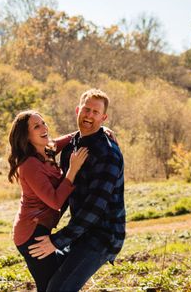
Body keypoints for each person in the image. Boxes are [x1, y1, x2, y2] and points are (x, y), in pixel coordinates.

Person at [28, 88, 126, 292]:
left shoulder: (108, 154)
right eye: (86, 109)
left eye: (95, 112)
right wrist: (43, 220)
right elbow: (65, 192)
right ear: (77, 110)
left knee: (58, 289)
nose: (89, 115)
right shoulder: (71, 148)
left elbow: (95, 209)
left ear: (104, 117)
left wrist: (56, 241)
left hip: (102, 235)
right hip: (80, 232)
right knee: (49, 282)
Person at [7, 110, 89, 292]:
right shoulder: (29, 165)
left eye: (43, 122)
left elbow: (68, 138)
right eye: (37, 126)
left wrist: (102, 130)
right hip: (31, 234)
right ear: (26, 136)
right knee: (50, 286)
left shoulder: (47, 149)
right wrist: (73, 170)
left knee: (56, 284)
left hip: (41, 228)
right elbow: (55, 201)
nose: (44, 128)